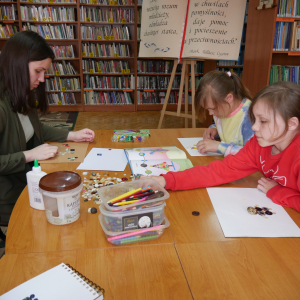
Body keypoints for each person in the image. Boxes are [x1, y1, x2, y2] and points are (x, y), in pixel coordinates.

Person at [146, 81, 300, 212]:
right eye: (254, 119)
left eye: (263, 121)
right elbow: (219, 171)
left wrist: (278, 192)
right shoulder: (259, 144)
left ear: (292, 124)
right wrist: (167, 180)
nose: (254, 127)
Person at [0, 31, 95, 225]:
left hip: (26, 183)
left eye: (44, 72)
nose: (42, 79)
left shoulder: (20, 93)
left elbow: (35, 129)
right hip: (9, 198)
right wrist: (30, 154)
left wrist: (72, 135)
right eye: (38, 71)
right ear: (17, 64)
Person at [195, 70, 254, 156]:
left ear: (229, 98)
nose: (210, 113)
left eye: (213, 109)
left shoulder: (249, 117)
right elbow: (229, 127)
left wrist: (219, 147)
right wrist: (215, 129)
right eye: (208, 109)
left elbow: (252, 154)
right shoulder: (224, 108)